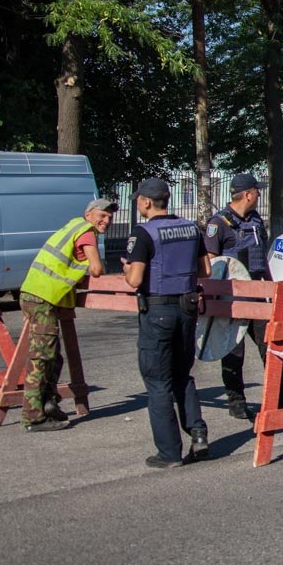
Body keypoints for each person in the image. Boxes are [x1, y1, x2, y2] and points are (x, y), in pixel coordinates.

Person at [123, 178, 210, 468]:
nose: (138, 204)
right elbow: (206, 270)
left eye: (138, 200)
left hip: (158, 310)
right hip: (187, 308)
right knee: (181, 374)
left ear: (147, 202)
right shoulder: (191, 228)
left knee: (157, 381)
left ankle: (169, 453)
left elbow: (135, 279)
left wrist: (126, 269)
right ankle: (198, 434)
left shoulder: (144, 233)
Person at [203, 173, 283, 418]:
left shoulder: (256, 221)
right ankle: (236, 401)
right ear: (247, 194)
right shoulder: (219, 223)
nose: (259, 195)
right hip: (232, 297)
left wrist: (271, 287)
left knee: (270, 346)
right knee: (233, 351)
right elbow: (212, 263)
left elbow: (262, 258)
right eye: (257, 191)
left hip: (259, 293)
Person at [17, 198, 118, 432]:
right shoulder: (86, 232)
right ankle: (33, 417)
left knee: (53, 357)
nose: (106, 221)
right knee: (41, 358)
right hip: (43, 297)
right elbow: (96, 268)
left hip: (37, 295)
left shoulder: (72, 225)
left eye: (110, 217)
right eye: (102, 216)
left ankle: (48, 403)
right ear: (89, 215)